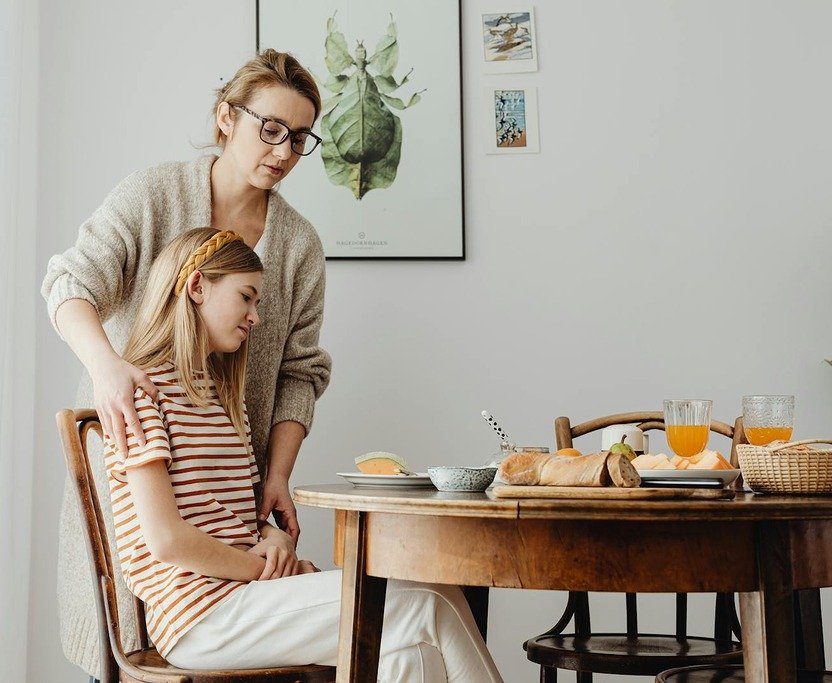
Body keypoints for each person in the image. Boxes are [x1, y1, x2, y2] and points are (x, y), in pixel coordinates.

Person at [41, 50, 331, 678]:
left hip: (228, 480)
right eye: (271, 129)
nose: (283, 151)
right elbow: (68, 282)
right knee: (126, 640)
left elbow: (299, 374)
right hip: (141, 457)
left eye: (300, 138)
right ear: (227, 117)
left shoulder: (299, 244)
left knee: (238, 631)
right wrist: (107, 367)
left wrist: (277, 476)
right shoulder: (154, 196)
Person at [108, 227, 502, 681]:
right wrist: (262, 568)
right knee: (428, 601)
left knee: (406, 653)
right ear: (198, 287)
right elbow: (166, 540)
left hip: (240, 595)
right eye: (247, 297)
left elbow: (232, 516)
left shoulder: (218, 399)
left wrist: (272, 539)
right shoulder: (143, 397)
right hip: (199, 616)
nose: (255, 316)